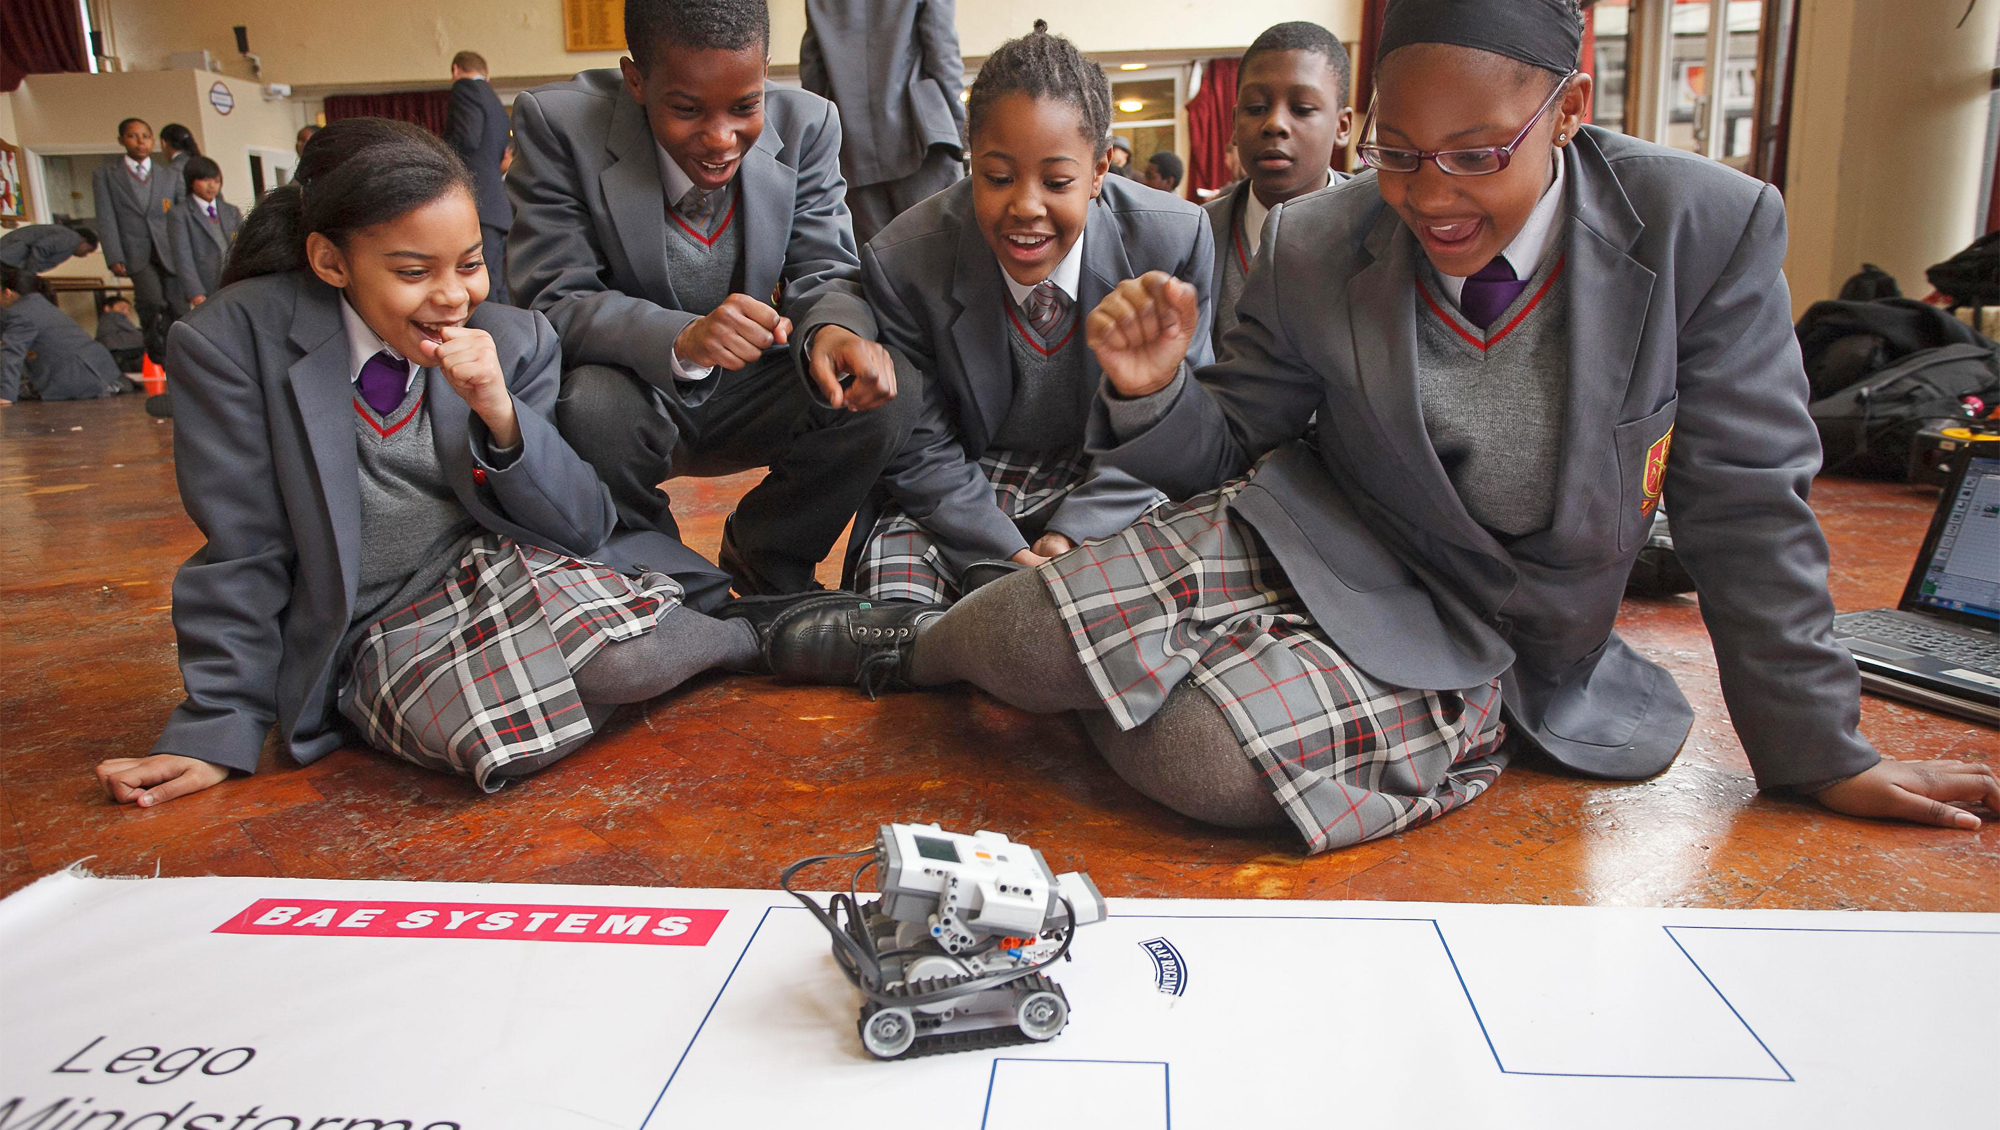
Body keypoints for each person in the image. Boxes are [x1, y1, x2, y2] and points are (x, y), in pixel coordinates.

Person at [760, 0, 2000, 849]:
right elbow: (1227, 447)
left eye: (1475, 155)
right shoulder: (1318, 234)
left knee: (1196, 761)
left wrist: (1817, 749)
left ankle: (1295, 696)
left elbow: (1744, 502)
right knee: (1025, 630)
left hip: (1487, 622)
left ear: (1567, 111)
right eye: (1396, 151)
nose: (1429, 197)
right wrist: (1151, 392)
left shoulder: (1702, 230)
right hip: (1314, 531)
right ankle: (896, 644)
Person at [93, 118, 755, 809]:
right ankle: (675, 645)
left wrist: (501, 412)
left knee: (629, 660)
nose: (452, 297)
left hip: (503, 568)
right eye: (414, 272)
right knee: (499, 740)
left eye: (469, 263)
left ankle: (754, 637)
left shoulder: (513, 337)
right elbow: (242, 548)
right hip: (376, 627)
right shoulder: (231, 344)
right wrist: (216, 729)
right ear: (330, 261)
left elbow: (583, 526)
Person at [508, 0, 916, 597]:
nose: (722, 139)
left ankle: (766, 554)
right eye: (686, 110)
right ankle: (672, 581)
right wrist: (681, 336)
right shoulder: (560, 126)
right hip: (633, 391)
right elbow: (554, 298)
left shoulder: (808, 124)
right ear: (636, 80)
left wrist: (833, 332)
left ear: (765, 71)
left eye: (745, 106)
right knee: (590, 407)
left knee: (888, 388)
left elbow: (825, 270)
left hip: (749, 385)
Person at [849, 21, 1214, 604]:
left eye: (1058, 181)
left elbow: (1175, 423)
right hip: (968, 481)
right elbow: (921, 444)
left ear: (1098, 173)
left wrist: (1074, 534)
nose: (1026, 206)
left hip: (1112, 475)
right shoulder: (905, 263)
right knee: (895, 609)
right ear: (970, 162)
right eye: (996, 178)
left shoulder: (1171, 243)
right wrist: (1004, 551)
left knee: (1162, 599)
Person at [1205, 21, 1353, 361]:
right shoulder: (1196, 237)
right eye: (1255, 108)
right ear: (1235, 124)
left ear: (1342, 126)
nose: (1274, 124)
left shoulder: (1386, 230)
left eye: (1301, 109)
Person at [799, 0, 967, 246]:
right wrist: (962, 133)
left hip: (853, 148)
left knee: (876, 267)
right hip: (922, 138)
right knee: (944, 256)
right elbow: (942, 54)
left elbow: (812, 69)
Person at [91, 118, 184, 355]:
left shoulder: (169, 175)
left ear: (153, 141)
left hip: (169, 248)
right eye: (133, 136)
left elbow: (182, 215)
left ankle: (180, 350)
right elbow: (106, 217)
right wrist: (113, 255)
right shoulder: (107, 175)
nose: (140, 141)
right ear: (121, 140)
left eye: (145, 136)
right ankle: (155, 349)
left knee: (178, 304)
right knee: (152, 301)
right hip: (134, 250)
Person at [444, 50, 515, 305]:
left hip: (476, 202)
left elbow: (466, 139)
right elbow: (506, 151)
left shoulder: (465, 89)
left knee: (479, 285)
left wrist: (441, 161)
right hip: (497, 207)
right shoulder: (494, 100)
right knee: (496, 284)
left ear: (455, 70)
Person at [0, 266, 125, 403]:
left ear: (8, 293)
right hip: (103, 373)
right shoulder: (39, 305)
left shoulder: (18, 312)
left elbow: (12, 353)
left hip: (75, 379)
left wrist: (5, 396)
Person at [166, 156, 243, 307]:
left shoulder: (231, 210)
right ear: (191, 181)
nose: (212, 186)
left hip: (234, 280)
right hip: (205, 284)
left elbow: (243, 244)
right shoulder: (180, 214)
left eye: (216, 181)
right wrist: (195, 291)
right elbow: (182, 256)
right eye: (205, 180)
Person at [0, 223, 98, 275]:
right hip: (10, 257)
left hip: (10, 258)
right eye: (88, 250)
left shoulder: (68, 238)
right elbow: (41, 248)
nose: (85, 255)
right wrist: (30, 273)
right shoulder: (72, 238)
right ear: (84, 241)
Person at [95, 294, 145, 373]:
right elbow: (136, 335)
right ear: (107, 308)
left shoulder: (104, 323)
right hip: (121, 352)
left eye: (128, 310)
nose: (126, 312)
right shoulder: (114, 316)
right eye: (122, 308)